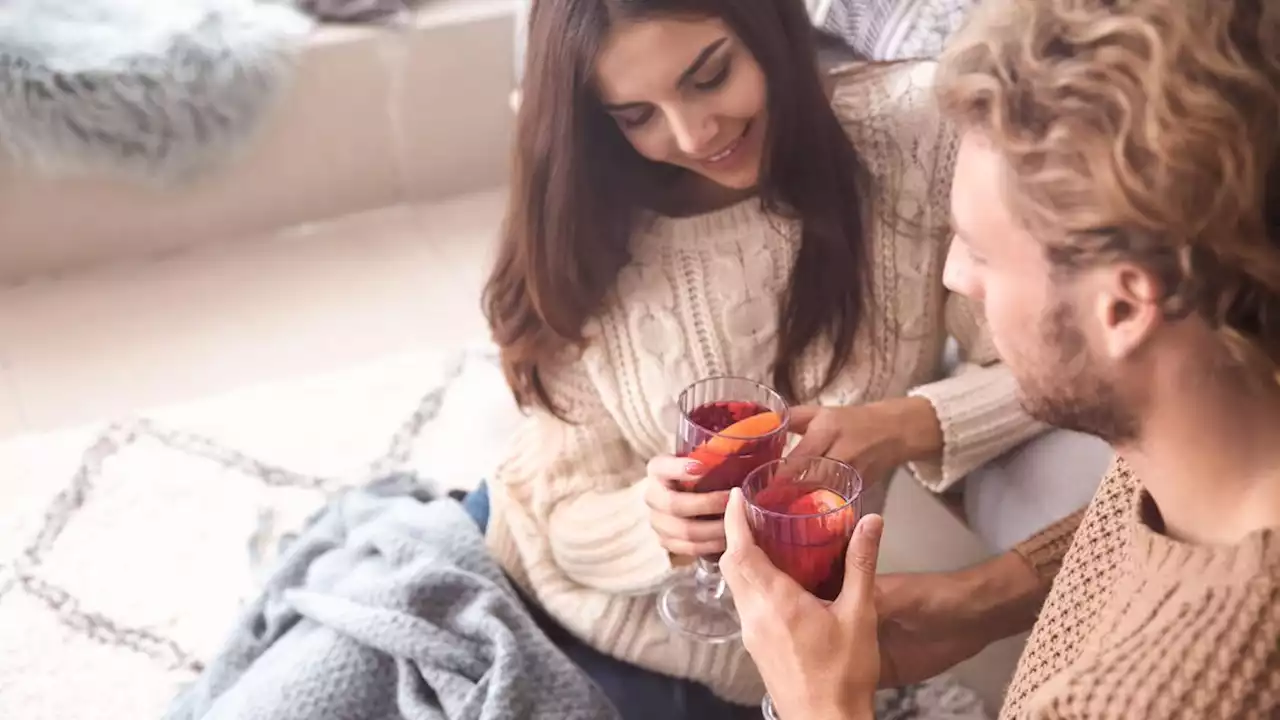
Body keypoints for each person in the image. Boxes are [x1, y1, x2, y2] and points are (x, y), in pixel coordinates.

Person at [475, 0, 1066, 716]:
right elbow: (560, 515)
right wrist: (651, 521)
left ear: (771, 27)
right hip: (565, 602)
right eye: (636, 116)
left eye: (710, 75)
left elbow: (1054, 365)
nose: (693, 134)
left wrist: (912, 423)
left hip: (779, 666)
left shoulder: (915, 134)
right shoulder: (585, 220)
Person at [720, 0, 1280, 717]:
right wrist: (986, 598)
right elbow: (1142, 534)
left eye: (981, 251)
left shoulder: (1161, 698)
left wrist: (822, 702)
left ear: (1124, 308)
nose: (955, 276)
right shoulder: (1208, 436)